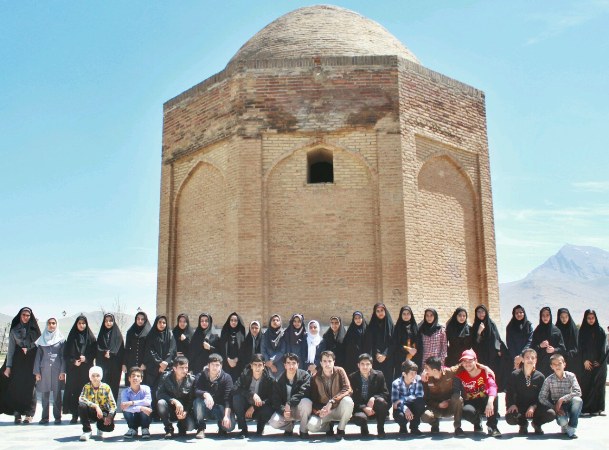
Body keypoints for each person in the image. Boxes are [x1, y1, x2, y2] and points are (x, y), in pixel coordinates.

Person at [0, 307, 41, 423]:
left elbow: (39, 346)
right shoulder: (14, 330)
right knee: (17, 386)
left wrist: (29, 348)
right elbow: (11, 350)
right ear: (20, 316)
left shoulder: (35, 330)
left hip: (31, 362)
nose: (26, 317)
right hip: (18, 362)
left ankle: (29, 413)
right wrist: (8, 367)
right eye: (24, 315)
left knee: (30, 387)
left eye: (28, 315)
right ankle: (17, 413)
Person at [505, 349, 555, 435]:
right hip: (520, 407)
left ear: (536, 360)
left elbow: (543, 396)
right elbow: (509, 393)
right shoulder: (514, 375)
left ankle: (536, 424)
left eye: (533, 358)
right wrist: (512, 404)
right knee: (510, 417)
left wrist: (533, 406)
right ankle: (523, 424)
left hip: (535, 407)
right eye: (527, 357)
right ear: (522, 359)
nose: (530, 360)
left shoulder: (540, 377)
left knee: (550, 413)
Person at [307, 350, 354, 440]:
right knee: (311, 426)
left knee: (348, 401)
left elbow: (348, 389)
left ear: (334, 362)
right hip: (325, 411)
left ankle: (341, 429)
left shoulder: (340, 371)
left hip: (339, 408)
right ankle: (328, 427)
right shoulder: (315, 377)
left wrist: (332, 402)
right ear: (321, 363)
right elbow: (314, 399)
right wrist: (319, 411)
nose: (327, 364)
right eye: (324, 361)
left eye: (329, 361)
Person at [454, 349, 501, 437]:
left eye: (470, 360)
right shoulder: (459, 373)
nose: (467, 364)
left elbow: (493, 386)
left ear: (475, 360)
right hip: (470, 401)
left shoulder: (485, 372)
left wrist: (490, 402)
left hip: (484, 400)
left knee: (493, 397)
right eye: (464, 361)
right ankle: (477, 421)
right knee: (466, 411)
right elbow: (443, 369)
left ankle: (492, 426)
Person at [62, 314, 96, 424]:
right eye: (79, 323)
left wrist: (86, 359)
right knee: (74, 392)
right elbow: (66, 354)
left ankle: (87, 415)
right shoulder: (71, 337)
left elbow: (94, 353)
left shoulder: (91, 338)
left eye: (83, 323)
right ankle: (75, 415)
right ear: (76, 324)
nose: (81, 325)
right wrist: (73, 361)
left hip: (86, 370)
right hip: (74, 370)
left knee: (86, 392)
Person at [539, 354, 582, 439]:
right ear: (551, 366)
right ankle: (564, 425)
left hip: (570, 402)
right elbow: (541, 397)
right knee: (562, 421)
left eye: (559, 363)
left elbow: (578, 392)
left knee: (578, 400)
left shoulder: (571, 376)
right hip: (559, 406)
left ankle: (572, 427)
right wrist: (554, 407)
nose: (557, 366)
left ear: (564, 364)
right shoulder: (549, 380)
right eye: (554, 364)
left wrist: (562, 399)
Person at [269, 353, 313, 437]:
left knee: (306, 402)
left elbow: (303, 392)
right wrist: (283, 411)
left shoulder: (305, 376)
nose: (291, 366)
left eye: (293, 363)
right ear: (285, 365)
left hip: (300, 409)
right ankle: (289, 427)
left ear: (298, 364)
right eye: (288, 363)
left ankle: (303, 430)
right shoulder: (278, 380)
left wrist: (289, 403)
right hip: (287, 410)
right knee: (273, 422)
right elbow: (276, 400)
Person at [193, 353, 236, 438]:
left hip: (219, 408)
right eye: (212, 364)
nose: (215, 367)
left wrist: (226, 416)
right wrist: (206, 394)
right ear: (208, 365)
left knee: (229, 427)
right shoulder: (201, 375)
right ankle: (201, 428)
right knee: (197, 401)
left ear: (221, 366)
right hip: (205, 407)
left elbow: (228, 399)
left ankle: (221, 426)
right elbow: (196, 390)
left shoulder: (226, 378)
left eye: (217, 365)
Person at [232, 353, 276, 437]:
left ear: (264, 366)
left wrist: (255, 407)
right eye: (255, 365)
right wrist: (251, 394)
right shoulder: (245, 374)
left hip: (261, 405)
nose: (257, 367)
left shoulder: (270, 379)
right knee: (236, 398)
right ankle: (243, 429)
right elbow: (234, 389)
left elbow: (272, 397)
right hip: (246, 404)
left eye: (260, 365)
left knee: (268, 409)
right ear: (251, 366)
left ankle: (260, 427)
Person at [420, 356, 464, 436]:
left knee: (458, 399)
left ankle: (458, 427)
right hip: (436, 408)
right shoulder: (426, 378)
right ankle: (435, 424)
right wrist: (438, 405)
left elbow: (463, 364)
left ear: (434, 370)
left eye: (426, 368)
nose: (424, 371)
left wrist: (485, 368)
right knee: (425, 416)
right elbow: (426, 398)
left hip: (449, 406)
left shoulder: (449, 372)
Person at [348, 353, 390, 437]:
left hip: (374, 407)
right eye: (362, 364)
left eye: (367, 364)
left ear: (371, 365)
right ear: (358, 365)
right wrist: (364, 407)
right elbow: (352, 397)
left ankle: (380, 429)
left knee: (381, 402)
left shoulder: (379, 375)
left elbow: (385, 393)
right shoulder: (352, 377)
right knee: (360, 418)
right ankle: (364, 429)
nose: (365, 367)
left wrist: (373, 398)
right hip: (360, 408)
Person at [33, 317, 66, 425]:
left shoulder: (61, 340)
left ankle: (57, 417)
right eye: (49, 323)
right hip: (44, 371)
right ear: (46, 325)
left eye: (53, 323)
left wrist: (62, 372)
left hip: (57, 371)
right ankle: (44, 418)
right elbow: (38, 357)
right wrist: (37, 372)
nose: (51, 325)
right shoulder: (42, 340)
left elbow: (63, 357)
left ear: (56, 324)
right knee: (44, 395)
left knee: (57, 395)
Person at [156, 355, 196, 439]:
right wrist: (173, 400)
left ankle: (181, 426)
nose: (184, 370)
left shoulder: (191, 379)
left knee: (190, 426)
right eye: (181, 368)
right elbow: (159, 394)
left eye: (186, 367)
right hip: (170, 408)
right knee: (161, 403)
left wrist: (186, 411)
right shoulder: (165, 376)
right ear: (174, 368)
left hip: (183, 410)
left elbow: (191, 399)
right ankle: (169, 428)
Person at [143, 315, 176, 411]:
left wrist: (166, 362)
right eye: (160, 322)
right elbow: (150, 351)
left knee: (167, 390)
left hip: (167, 367)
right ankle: (154, 413)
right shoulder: (151, 335)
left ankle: (167, 412)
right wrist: (159, 362)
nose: (162, 324)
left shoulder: (170, 334)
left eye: (164, 322)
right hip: (153, 368)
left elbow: (172, 350)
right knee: (153, 390)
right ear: (156, 323)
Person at [471, 305, 509, 391]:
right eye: (478, 312)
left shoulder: (491, 324)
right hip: (481, 354)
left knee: (493, 372)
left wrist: (499, 349)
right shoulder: (475, 326)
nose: (481, 314)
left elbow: (497, 338)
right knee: (483, 373)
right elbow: (474, 343)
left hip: (492, 354)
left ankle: (494, 390)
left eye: (483, 311)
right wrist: (479, 332)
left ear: (486, 313)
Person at [577, 309, 607, 415]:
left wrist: (600, 361)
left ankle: (598, 409)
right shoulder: (582, 331)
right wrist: (584, 360)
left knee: (599, 385)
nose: (591, 320)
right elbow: (580, 347)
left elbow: (604, 348)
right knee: (586, 384)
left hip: (598, 364)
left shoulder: (600, 331)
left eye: (592, 318)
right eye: (588, 318)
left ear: (595, 318)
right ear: (585, 319)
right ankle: (585, 409)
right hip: (586, 363)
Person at [78, 366, 116, 441]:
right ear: (90, 377)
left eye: (98, 375)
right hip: (91, 410)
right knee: (81, 406)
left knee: (109, 427)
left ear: (101, 376)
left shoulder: (106, 387)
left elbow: (113, 405)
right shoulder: (86, 387)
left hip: (103, 412)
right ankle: (87, 431)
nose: (95, 378)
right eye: (93, 376)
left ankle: (100, 427)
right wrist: (95, 406)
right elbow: (81, 398)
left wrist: (109, 416)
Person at [364, 303, 394, 391]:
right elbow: (370, 343)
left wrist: (385, 354)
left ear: (385, 311)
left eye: (382, 310)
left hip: (388, 359)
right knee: (376, 382)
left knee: (388, 382)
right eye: (377, 311)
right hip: (375, 359)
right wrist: (377, 353)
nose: (380, 313)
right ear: (375, 313)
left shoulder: (391, 326)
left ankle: (388, 399)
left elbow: (393, 343)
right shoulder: (371, 326)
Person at [391, 359, 425, 435]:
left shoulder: (418, 379)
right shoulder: (396, 383)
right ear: (404, 374)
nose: (414, 375)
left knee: (420, 402)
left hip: (414, 405)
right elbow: (395, 403)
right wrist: (405, 408)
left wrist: (402, 399)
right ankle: (403, 426)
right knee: (400, 415)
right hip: (402, 407)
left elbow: (419, 395)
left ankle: (414, 427)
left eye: (415, 373)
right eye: (411, 373)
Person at [96, 313, 124, 401]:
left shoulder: (118, 335)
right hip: (103, 364)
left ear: (113, 322)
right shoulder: (101, 335)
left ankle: (112, 406)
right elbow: (97, 349)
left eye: (110, 321)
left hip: (115, 365)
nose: (108, 323)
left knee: (114, 386)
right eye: (106, 321)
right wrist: (104, 352)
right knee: (103, 385)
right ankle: (103, 406)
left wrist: (111, 353)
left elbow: (121, 350)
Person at [531, 307, 565, 377]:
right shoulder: (537, 331)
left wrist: (554, 350)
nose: (545, 317)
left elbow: (562, 349)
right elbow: (532, 349)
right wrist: (540, 346)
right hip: (540, 366)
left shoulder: (556, 331)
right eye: (543, 315)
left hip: (554, 366)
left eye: (547, 315)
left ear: (550, 316)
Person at [120, 366, 152, 439]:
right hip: (132, 417)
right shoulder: (124, 392)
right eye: (133, 376)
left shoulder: (146, 388)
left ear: (141, 379)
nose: (135, 378)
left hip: (144, 416)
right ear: (129, 378)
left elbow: (147, 402)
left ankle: (145, 428)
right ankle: (132, 429)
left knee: (147, 407)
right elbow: (124, 407)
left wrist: (131, 403)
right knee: (126, 409)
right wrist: (141, 408)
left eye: (138, 376)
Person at [122, 311, 151, 385]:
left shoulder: (149, 333)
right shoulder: (130, 331)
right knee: (131, 384)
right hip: (131, 363)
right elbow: (127, 348)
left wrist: (145, 363)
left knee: (143, 385)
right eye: (138, 319)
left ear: (145, 320)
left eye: (142, 319)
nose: (140, 321)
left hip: (144, 364)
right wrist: (124, 364)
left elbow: (149, 350)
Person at [391, 306, 420, 380]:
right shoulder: (397, 328)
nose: (406, 316)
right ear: (401, 315)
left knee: (412, 378)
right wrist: (407, 349)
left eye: (408, 314)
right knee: (400, 379)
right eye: (404, 314)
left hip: (413, 357)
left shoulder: (415, 327)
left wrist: (412, 352)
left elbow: (418, 341)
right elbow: (395, 344)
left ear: (411, 315)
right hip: (400, 358)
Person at [219, 312, 246, 380]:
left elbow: (243, 348)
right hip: (226, 363)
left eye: (235, 320)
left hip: (238, 364)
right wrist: (228, 359)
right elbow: (221, 348)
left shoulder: (241, 333)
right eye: (231, 320)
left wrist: (236, 359)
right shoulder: (224, 332)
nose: (233, 322)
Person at [555, 308, 580, 380]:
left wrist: (570, 353)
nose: (564, 319)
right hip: (559, 359)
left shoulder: (574, 329)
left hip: (572, 359)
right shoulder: (555, 330)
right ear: (559, 317)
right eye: (562, 317)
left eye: (566, 317)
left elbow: (577, 345)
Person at [506, 305, 533, 369]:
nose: (519, 314)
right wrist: (516, 358)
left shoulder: (528, 325)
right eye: (516, 313)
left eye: (521, 312)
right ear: (514, 314)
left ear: (524, 313)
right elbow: (510, 343)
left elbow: (529, 341)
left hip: (527, 356)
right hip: (514, 357)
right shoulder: (510, 326)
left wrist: (522, 355)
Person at [261, 314, 286, 379]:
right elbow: (263, 350)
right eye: (273, 320)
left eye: (277, 320)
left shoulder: (283, 334)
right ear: (270, 322)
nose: (275, 321)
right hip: (267, 365)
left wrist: (272, 361)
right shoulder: (265, 334)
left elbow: (282, 351)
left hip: (280, 364)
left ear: (280, 322)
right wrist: (269, 363)